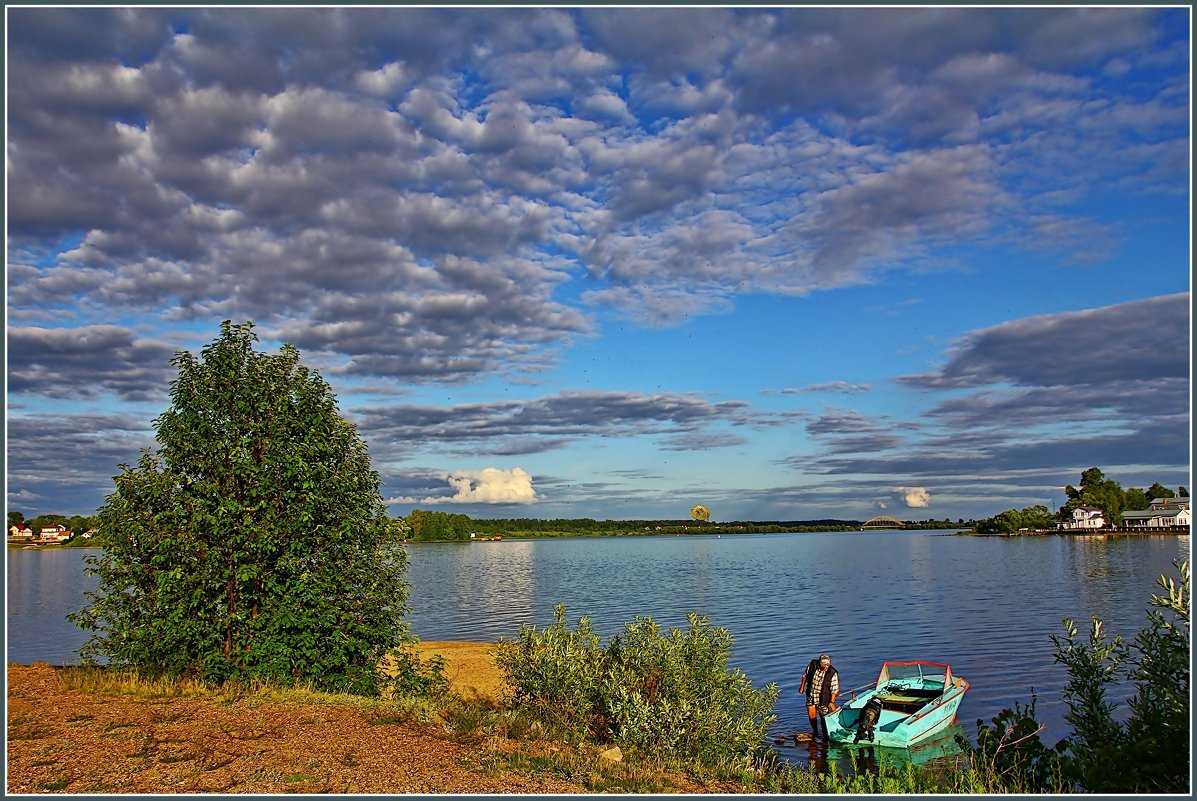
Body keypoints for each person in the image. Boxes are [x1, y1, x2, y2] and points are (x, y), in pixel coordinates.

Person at [798, 652, 839, 740]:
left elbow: (834, 690)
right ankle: (815, 731)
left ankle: (826, 735)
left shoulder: (833, 673)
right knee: (811, 715)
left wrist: (831, 702)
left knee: (824, 717)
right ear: (820, 663)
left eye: (828, 664)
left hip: (824, 697)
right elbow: (805, 676)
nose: (826, 666)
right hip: (811, 694)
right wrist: (802, 687)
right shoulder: (813, 665)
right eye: (824, 664)